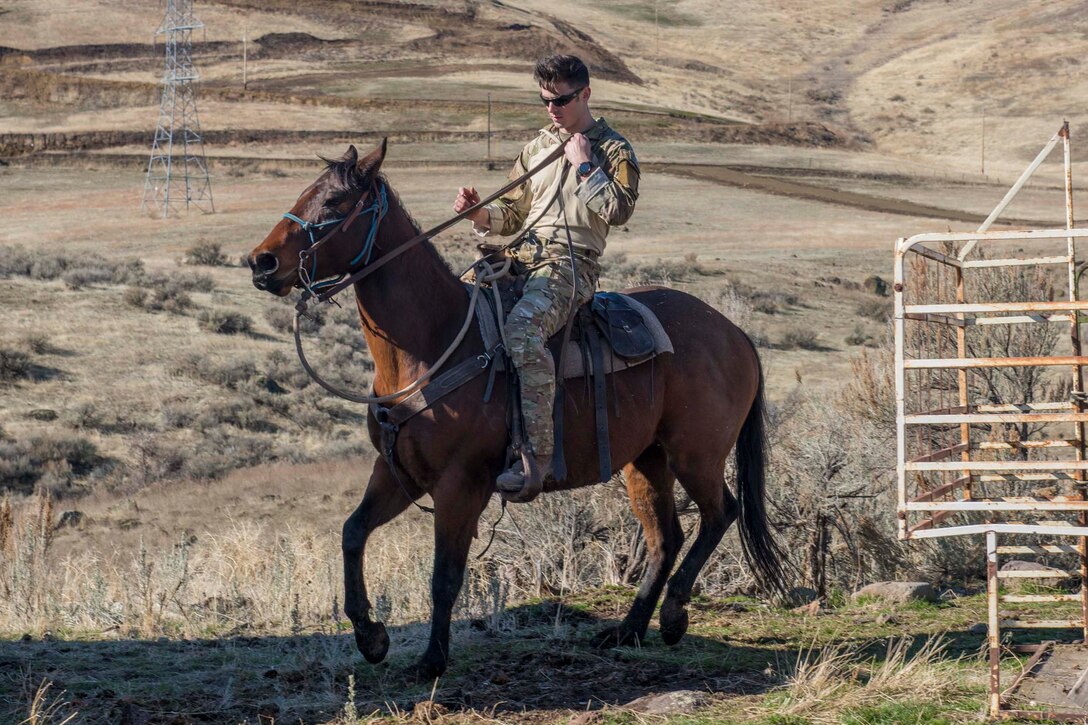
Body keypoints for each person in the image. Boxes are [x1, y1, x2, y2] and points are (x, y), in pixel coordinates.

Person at [452, 54, 640, 498]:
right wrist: (480, 213)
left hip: (570, 266)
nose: (552, 110)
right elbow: (514, 214)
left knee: (521, 332)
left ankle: (536, 457)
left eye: (561, 100)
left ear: (586, 94)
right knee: (455, 314)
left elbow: (619, 209)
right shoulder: (536, 147)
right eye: (545, 101)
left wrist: (585, 165)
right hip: (518, 257)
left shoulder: (613, 149)